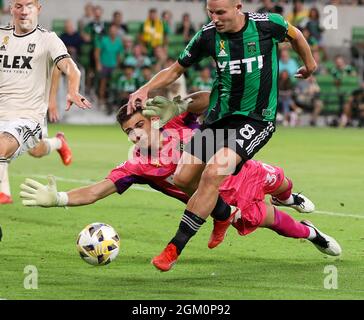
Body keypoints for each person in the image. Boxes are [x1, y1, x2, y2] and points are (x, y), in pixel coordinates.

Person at [19, 93, 341, 270]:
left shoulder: (173, 121)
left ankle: (290, 197)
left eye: (139, 125)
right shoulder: (138, 164)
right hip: (225, 203)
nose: (135, 134)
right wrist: (60, 198)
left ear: (151, 119)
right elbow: (97, 190)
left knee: (283, 181)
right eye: (128, 131)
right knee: (274, 222)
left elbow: (211, 98)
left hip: (243, 169)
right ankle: (314, 233)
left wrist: (182, 102)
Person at [127, 0, 317, 271]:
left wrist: (309, 64)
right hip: (218, 120)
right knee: (182, 178)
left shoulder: (267, 25)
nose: (215, 18)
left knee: (213, 172)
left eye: (221, 12)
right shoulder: (207, 36)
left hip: (256, 120)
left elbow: (296, 35)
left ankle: (174, 248)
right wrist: (145, 88)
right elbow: (176, 69)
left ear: (238, 7)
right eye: (210, 12)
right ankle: (223, 213)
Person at [0, 0, 91, 205]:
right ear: (11, 8)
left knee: (2, 147)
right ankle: (59, 143)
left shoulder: (48, 39)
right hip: (3, 112)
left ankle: (3, 192)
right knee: (37, 150)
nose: (24, 11)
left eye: (29, 6)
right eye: (18, 6)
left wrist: (71, 90)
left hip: (28, 116)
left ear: (38, 9)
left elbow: (68, 67)